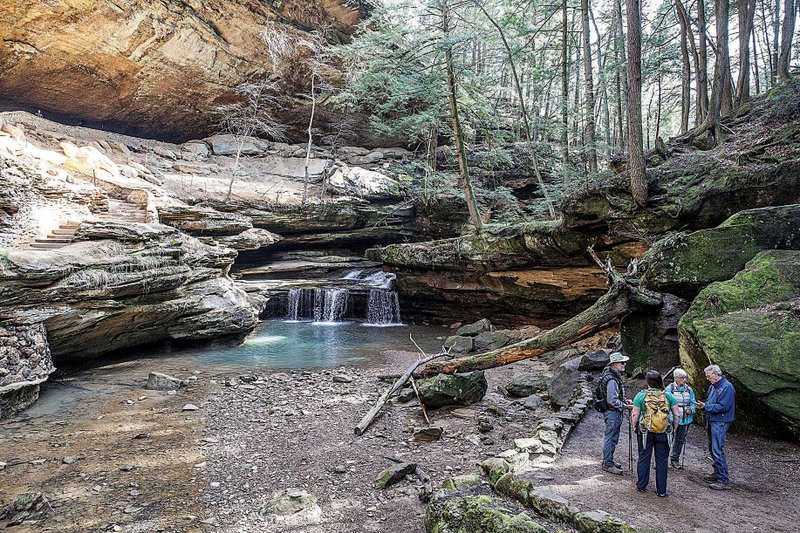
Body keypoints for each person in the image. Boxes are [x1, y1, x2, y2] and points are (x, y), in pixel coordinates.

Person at [630, 370, 681, 497]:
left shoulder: (641, 396)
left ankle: (641, 485)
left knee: (644, 457)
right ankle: (662, 490)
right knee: (662, 461)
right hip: (664, 432)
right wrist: (674, 428)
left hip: (645, 431)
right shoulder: (668, 395)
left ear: (648, 382)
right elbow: (677, 415)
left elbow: (635, 414)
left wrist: (634, 426)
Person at [696, 364, 735, 490]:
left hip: (720, 421)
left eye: (709, 376)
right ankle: (717, 472)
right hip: (712, 420)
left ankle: (724, 480)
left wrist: (705, 407)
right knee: (712, 448)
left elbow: (723, 406)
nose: (708, 378)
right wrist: (705, 405)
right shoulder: (713, 387)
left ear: (716, 374)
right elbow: (711, 402)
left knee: (717, 449)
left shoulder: (727, 387)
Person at [598, 352, 632, 475]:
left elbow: (614, 396)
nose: (624, 364)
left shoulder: (612, 375)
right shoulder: (612, 379)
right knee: (611, 438)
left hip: (612, 412)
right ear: (615, 364)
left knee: (612, 437)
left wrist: (624, 400)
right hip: (612, 413)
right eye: (622, 362)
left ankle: (609, 460)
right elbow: (611, 400)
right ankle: (608, 463)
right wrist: (625, 406)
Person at [665, 368, 696, 468]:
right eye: (681, 378)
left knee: (680, 439)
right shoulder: (669, 389)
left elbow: (693, 402)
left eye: (685, 378)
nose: (684, 380)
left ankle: (675, 459)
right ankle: (662, 460)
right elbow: (665, 404)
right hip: (671, 419)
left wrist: (691, 410)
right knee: (668, 439)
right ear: (675, 378)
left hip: (685, 419)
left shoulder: (689, 389)